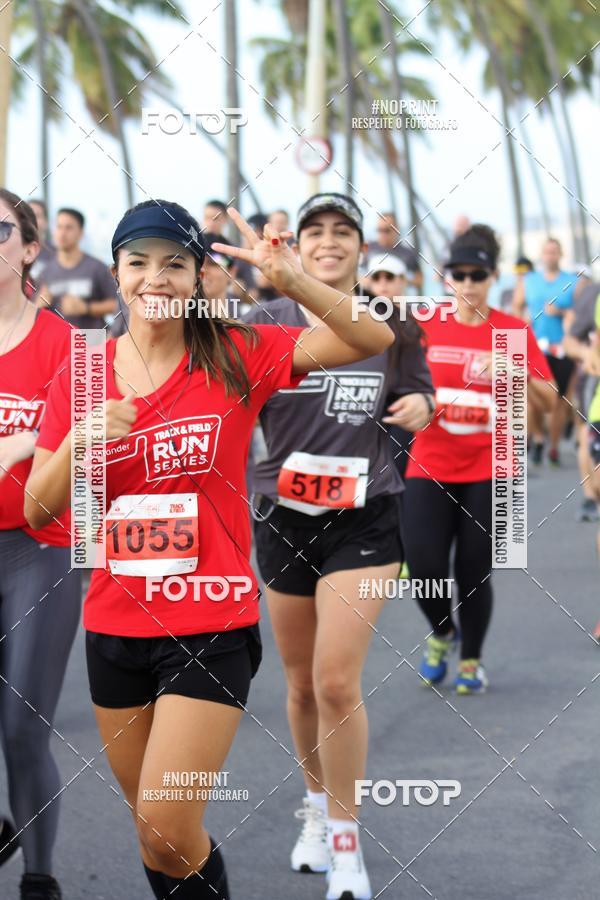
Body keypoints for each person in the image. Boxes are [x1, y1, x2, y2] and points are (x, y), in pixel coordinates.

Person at [25, 200, 394, 900]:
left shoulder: (235, 352)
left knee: (167, 824)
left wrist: (293, 284)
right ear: (118, 273)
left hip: (209, 626)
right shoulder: (81, 376)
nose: (155, 279)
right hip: (114, 627)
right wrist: (78, 443)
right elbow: (37, 506)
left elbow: (369, 336)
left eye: (175, 265)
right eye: (139, 263)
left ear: (199, 278)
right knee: (154, 837)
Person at [245, 192, 434, 900]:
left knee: (334, 681)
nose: (328, 241)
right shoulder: (264, 320)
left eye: (342, 232)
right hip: (283, 514)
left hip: (367, 516)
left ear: (362, 248)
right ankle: (318, 811)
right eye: (314, 230)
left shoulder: (391, 321)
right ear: (297, 243)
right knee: (297, 685)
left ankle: (348, 844)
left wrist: (425, 405)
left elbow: (418, 391)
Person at [404, 224, 554, 694]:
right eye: (459, 274)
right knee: (424, 566)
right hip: (428, 461)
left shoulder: (512, 330)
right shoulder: (426, 322)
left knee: (474, 569)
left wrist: (515, 371)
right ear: (448, 277)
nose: (467, 284)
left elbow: (550, 403)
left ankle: (471, 659)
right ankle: (443, 634)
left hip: (494, 465)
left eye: (478, 275)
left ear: (492, 278)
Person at [0, 189, 81, 900]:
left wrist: (25, 440)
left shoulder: (68, 347)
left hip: (38, 550)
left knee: (23, 730)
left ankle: (39, 879)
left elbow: (85, 446)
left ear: (30, 248)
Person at [513, 237, 576, 465]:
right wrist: (523, 321)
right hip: (534, 347)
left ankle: (554, 447)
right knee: (535, 398)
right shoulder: (529, 280)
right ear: (542, 255)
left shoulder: (572, 281)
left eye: (554, 252)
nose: (551, 255)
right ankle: (539, 437)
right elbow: (516, 307)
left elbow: (579, 314)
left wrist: (560, 312)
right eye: (547, 252)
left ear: (560, 254)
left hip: (562, 348)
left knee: (560, 400)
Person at [37, 208, 118, 330]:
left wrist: (86, 308)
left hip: (92, 338)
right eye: (59, 227)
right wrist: (38, 306)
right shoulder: (45, 273)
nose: (62, 233)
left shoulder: (97, 267)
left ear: (80, 233)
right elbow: (31, 310)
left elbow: (119, 305)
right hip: (59, 340)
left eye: (68, 228)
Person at [563, 281, 600, 522]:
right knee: (585, 432)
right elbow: (570, 341)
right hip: (594, 384)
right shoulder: (594, 294)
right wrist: (588, 354)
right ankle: (590, 497)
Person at [366, 211, 422, 290]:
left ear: (396, 229)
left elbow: (419, 280)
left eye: (386, 230)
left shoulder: (407, 253)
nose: (382, 234)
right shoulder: (368, 249)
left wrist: (401, 281)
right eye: (379, 230)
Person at [28, 199, 55, 285]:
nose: (31, 219)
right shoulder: (10, 251)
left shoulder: (56, 254)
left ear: (46, 222)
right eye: (27, 215)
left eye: (37, 215)